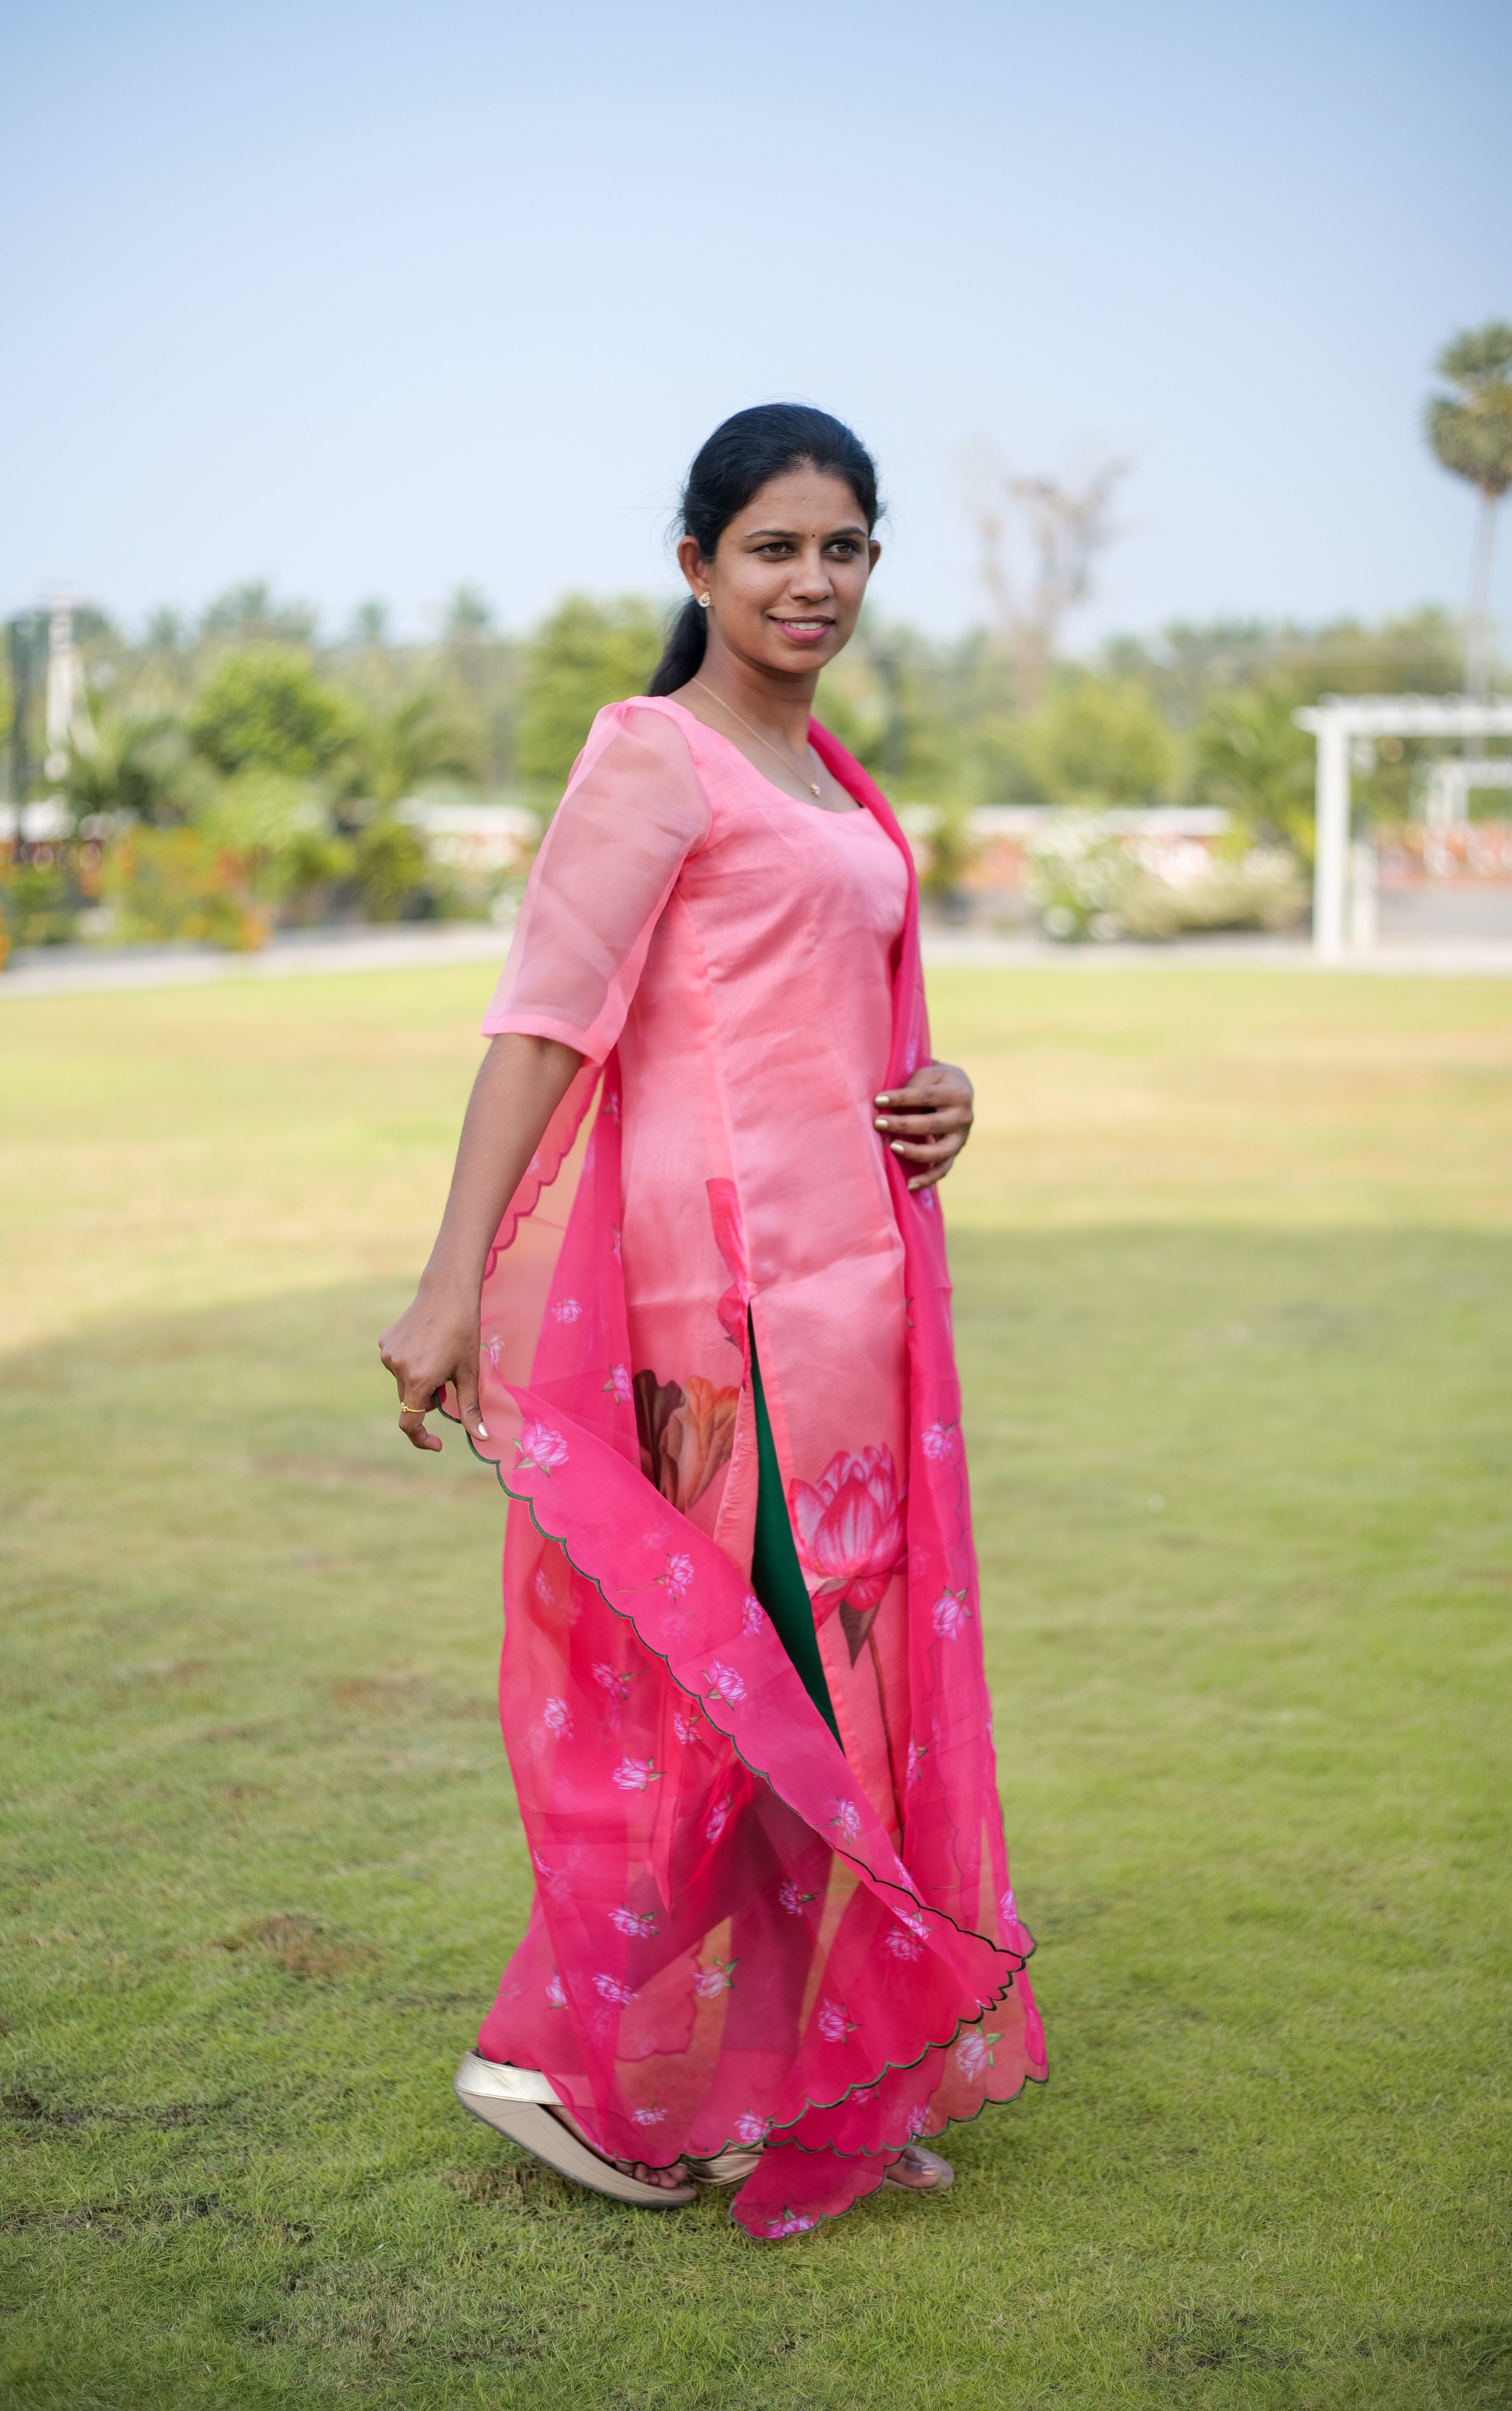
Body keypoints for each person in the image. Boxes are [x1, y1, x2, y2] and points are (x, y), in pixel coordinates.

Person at [379, 405, 1044, 2240]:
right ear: (698, 564)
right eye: (773, 547)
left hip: (857, 1305)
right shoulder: (654, 755)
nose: (811, 580)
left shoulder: (830, 782)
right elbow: (546, 1020)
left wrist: (942, 1093)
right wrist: (453, 1280)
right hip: (723, 1303)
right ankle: (549, 2061)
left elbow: (845, 1016)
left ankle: (784, 2074)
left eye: (842, 548)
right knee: (737, 1695)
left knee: (817, 1696)